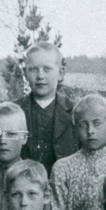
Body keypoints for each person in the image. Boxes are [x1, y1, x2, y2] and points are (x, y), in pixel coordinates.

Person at [15, 42, 77, 175]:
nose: (40, 76)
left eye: (47, 69)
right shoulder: (14, 111)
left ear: (60, 73)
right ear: (25, 73)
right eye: (33, 69)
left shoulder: (75, 112)